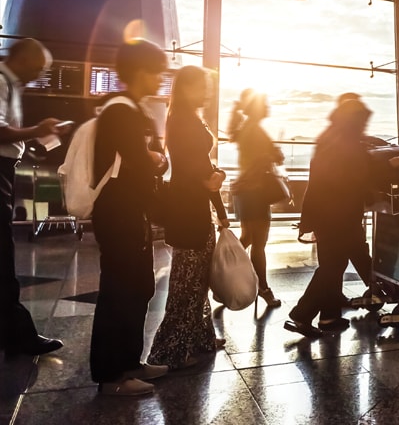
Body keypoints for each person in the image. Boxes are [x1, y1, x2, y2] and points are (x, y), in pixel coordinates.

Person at [285, 99, 399, 337]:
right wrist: (393, 163)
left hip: (328, 213)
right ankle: (301, 315)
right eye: (362, 122)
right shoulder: (344, 142)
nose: (364, 126)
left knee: (335, 264)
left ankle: (329, 316)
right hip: (338, 214)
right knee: (332, 267)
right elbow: (357, 172)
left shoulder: (332, 136)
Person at [90, 39, 170, 396]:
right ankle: (111, 375)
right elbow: (140, 161)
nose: (160, 78)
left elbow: (148, 158)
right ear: (141, 71)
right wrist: (154, 160)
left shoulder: (130, 109)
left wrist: (154, 159)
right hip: (118, 212)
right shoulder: (120, 110)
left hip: (128, 211)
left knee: (139, 287)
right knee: (120, 291)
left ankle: (130, 362)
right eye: (157, 71)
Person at [148, 66, 228, 370]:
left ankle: (199, 338)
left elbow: (201, 166)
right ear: (187, 88)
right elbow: (193, 168)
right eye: (202, 86)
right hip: (188, 209)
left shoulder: (186, 118)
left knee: (196, 279)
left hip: (192, 206)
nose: (207, 92)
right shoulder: (183, 120)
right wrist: (211, 180)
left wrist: (216, 193)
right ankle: (168, 350)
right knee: (187, 282)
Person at [0, 38, 70, 357]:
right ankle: (17, 334)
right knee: (2, 252)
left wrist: (28, 141)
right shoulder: (1, 81)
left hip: (6, 168)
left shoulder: (11, 86)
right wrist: (35, 130)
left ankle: (14, 331)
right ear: (24, 58)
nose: (41, 73)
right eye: (39, 66)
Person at [228, 89, 284, 308]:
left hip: (245, 192)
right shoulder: (256, 131)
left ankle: (224, 278)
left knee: (248, 238)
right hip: (255, 193)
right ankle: (263, 288)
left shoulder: (245, 129)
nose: (268, 106)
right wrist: (273, 154)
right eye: (265, 102)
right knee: (258, 244)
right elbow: (269, 159)